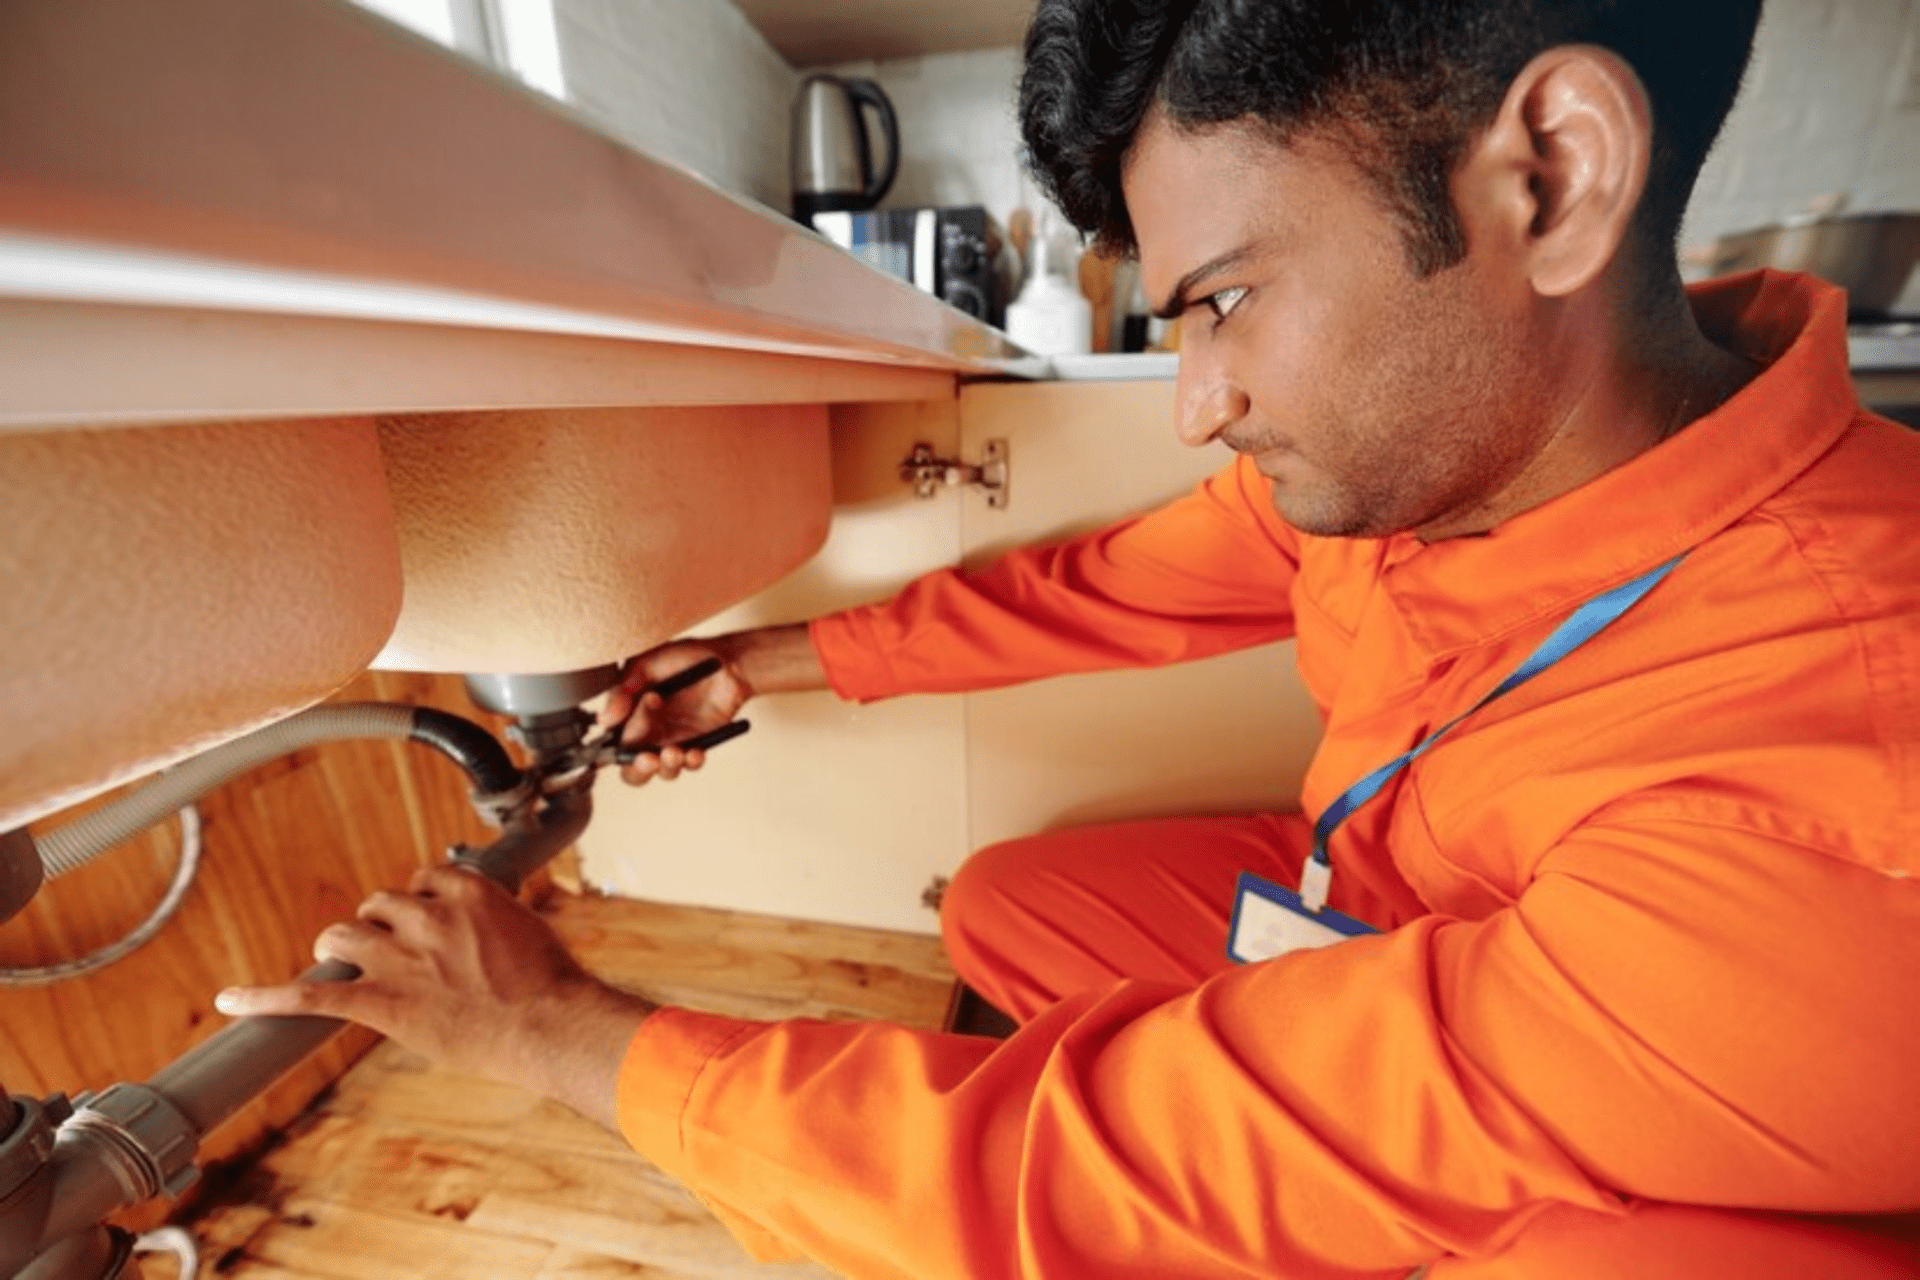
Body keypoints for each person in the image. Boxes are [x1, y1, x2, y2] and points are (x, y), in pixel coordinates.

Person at [217, 0, 1920, 1275]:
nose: (1197, 404)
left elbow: (1091, 1150)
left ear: (1550, 176)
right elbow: (1096, 590)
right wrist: (753, 666)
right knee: (1022, 908)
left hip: (1645, 1100)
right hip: (1413, 922)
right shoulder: (1456, 469)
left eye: (1227, 301)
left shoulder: (1837, 809)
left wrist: (546, 1029)